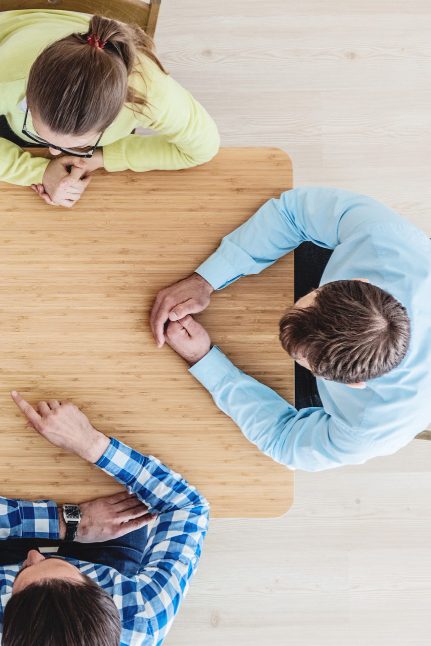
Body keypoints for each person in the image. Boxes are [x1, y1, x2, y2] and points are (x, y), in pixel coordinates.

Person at [150, 187, 431, 471]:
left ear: (352, 384)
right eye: (307, 300)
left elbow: (284, 441)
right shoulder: (386, 238)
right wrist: (206, 279)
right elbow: (292, 212)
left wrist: (204, 360)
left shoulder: (374, 429)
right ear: (360, 281)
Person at [0, 391, 209, 646]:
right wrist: (91, 443)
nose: (34, 554)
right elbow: (187, 508)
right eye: (66, 568)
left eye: (21, 578)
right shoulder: (141, 620)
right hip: (106, 551)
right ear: (101, 592)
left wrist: (70, 522)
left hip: (0, 551)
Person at [0, 11, 219, 208]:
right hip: (10, 33)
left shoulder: (151, 93)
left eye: (81, 144)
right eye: (38, 130)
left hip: (96, 45)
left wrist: (99, 159)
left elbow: (202, 149)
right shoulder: (1, 79)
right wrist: (36, 172)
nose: (54, 153)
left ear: (116, 116)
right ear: (28, 96)